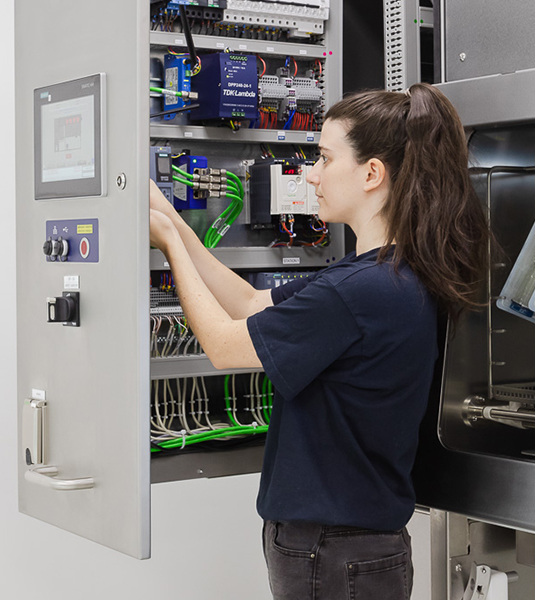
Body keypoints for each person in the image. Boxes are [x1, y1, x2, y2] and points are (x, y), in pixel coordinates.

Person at [149, 82, 491, 600]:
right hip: (346, 547)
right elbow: (245, 303)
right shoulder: (381, 276)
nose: (310, 173)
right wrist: (171, 218)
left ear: (372, 173)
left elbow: (223, 345)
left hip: (333, 551)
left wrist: (171, 245)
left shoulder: (361, 291)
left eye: (325, 158)